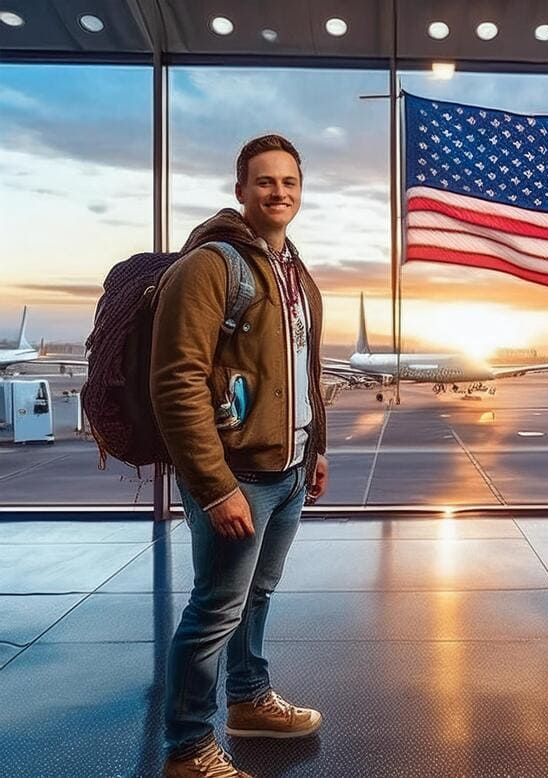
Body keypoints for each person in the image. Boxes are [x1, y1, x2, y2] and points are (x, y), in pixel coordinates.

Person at [152, 134, 328, 778]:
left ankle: (249, 701)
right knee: (214, 611)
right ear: (240, 191)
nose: (278, 192)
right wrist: (214, 485)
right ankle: (188, 748)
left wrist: (316, 447)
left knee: (257, 597)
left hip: (288, 472)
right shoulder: (210, 267)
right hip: (238, 477)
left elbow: (305, 375)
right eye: (264, 181)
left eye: (289, 182)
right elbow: (176, 380)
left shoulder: (294, 272)